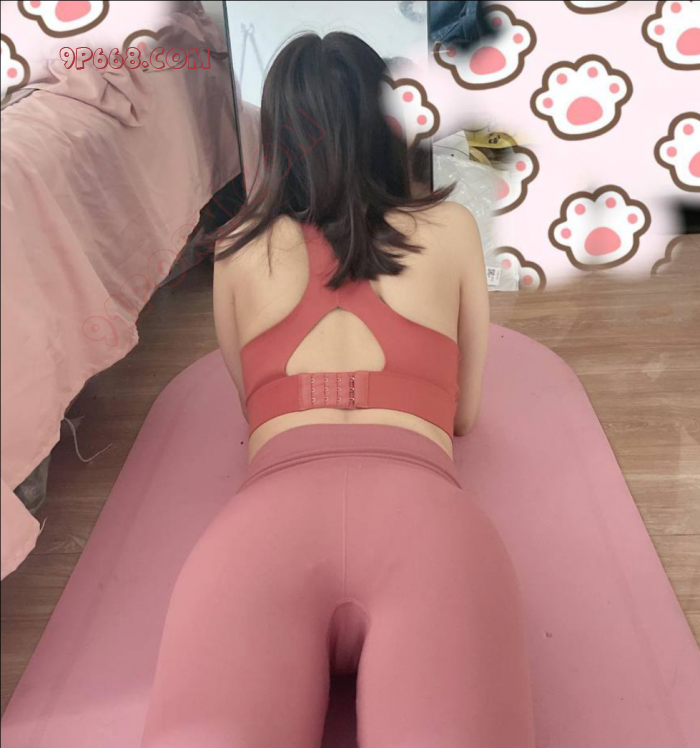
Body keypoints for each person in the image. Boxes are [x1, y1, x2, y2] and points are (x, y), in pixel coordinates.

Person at [140, 30, 536, 748]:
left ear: (275, 136)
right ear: (388, 123)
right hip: (426, 529)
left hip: (263, 535)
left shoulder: (235, 248)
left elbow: (252, 410)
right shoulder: (451, 228)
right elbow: (465, 415)